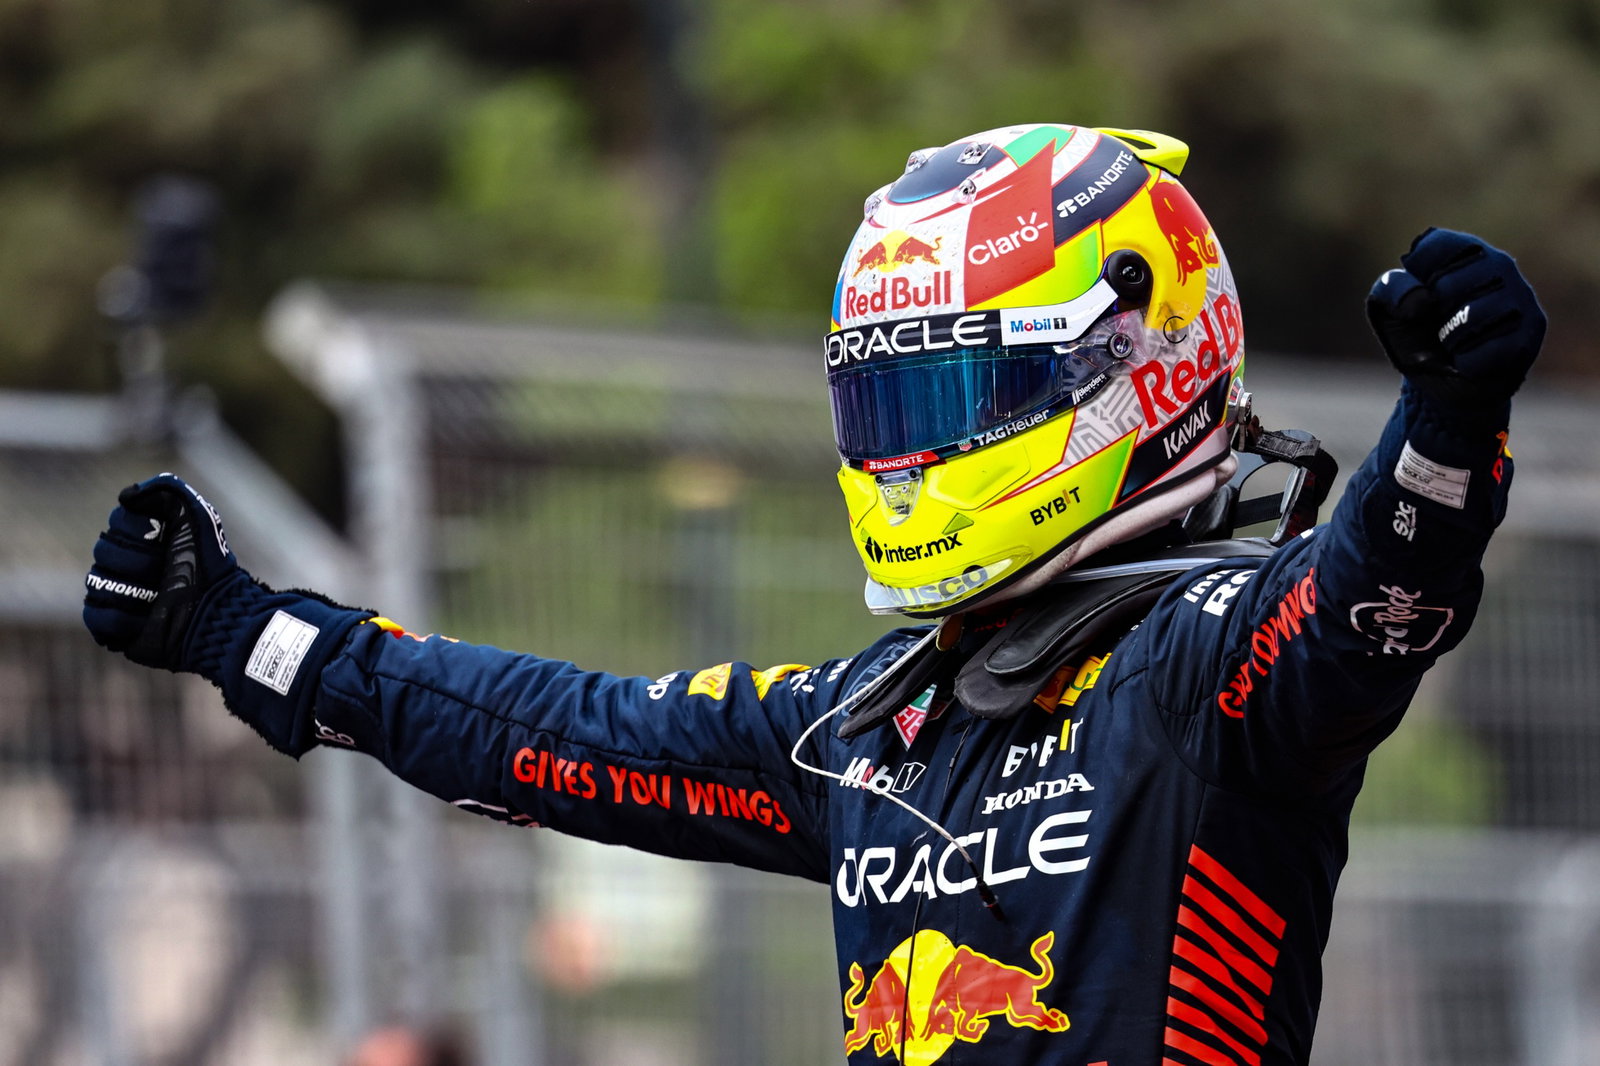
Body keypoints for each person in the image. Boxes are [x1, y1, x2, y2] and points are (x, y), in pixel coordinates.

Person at [83, 123, 1544, 1064]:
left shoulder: (1213, 666)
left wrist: (1448, 425)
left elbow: (1371, 599)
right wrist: (247, 632)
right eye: (894, 397)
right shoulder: (863, 723)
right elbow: (555, 728)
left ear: (1134, 371)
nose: (916, 447)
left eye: (969, 386)